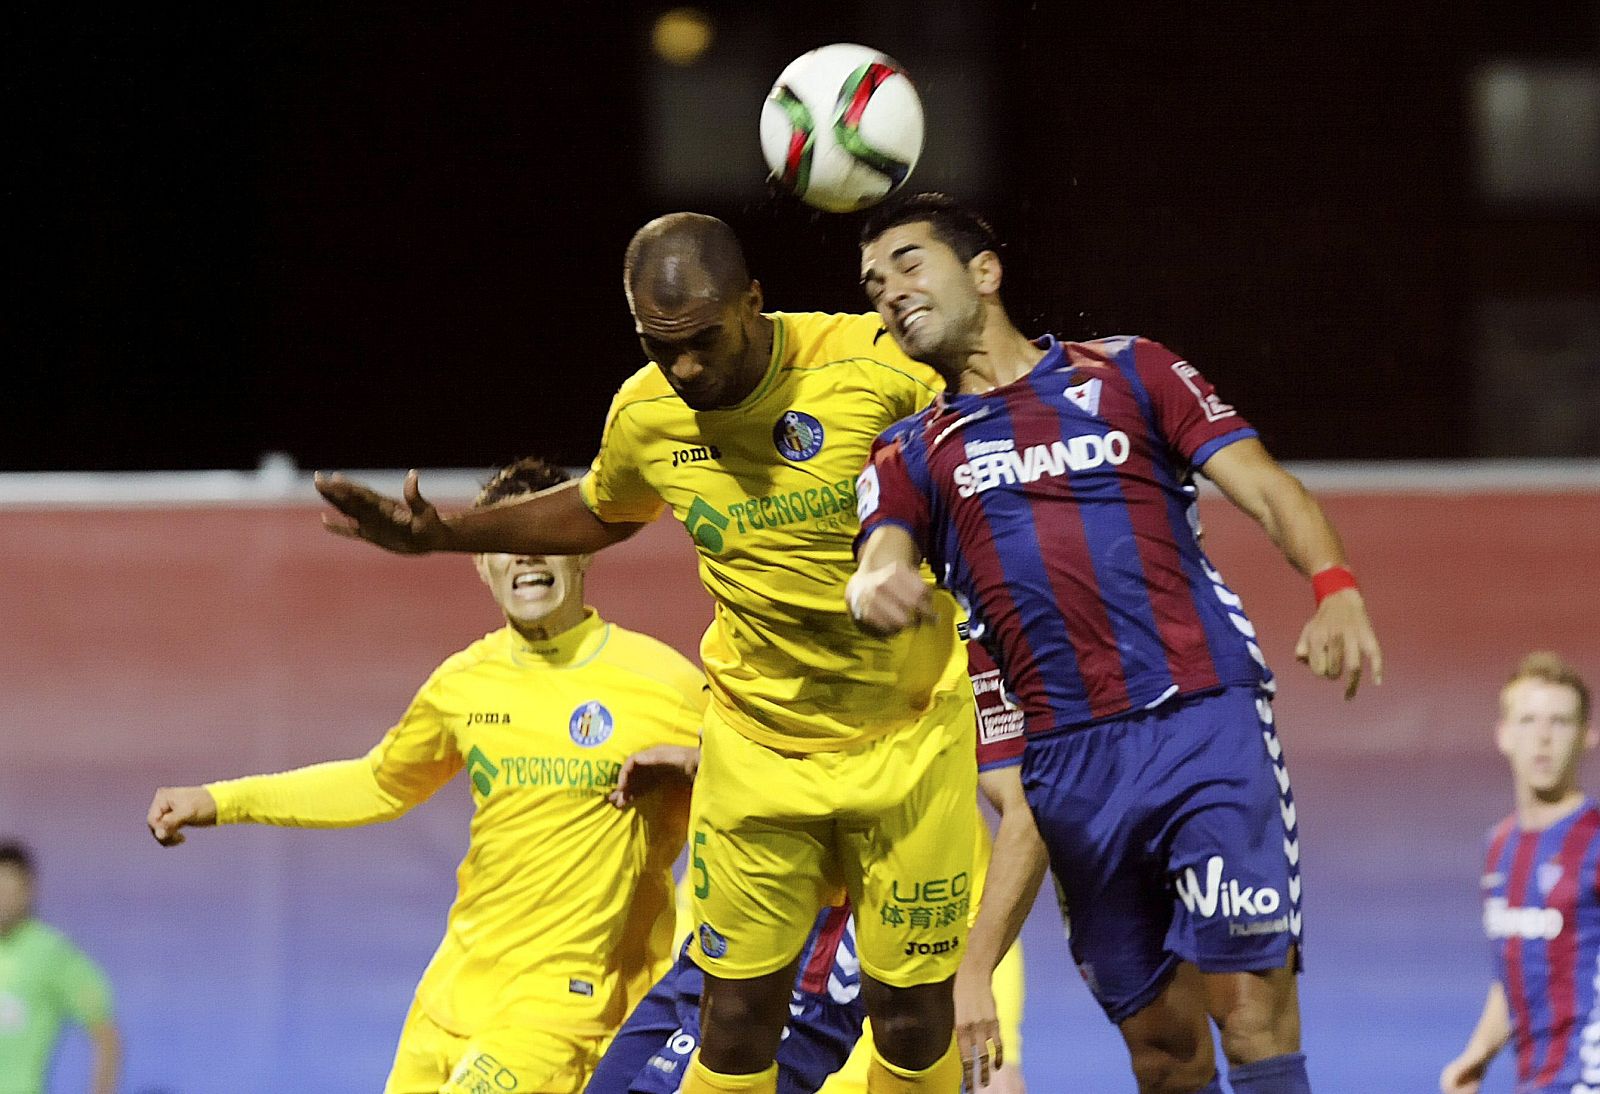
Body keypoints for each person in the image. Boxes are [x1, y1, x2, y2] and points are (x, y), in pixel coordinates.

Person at [315, 212, 978, 1094]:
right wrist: (445, 535)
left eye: (703, 340)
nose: (687, 368)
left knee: (911, 1016)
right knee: (734, 1018)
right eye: (661, 347)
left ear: (754, 302)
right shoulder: (648, 411)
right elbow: (603, 504)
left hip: (904, 733)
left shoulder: (871, 364)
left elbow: (993, 407)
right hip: (761, 746)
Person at [849, 193, 1385, 1094]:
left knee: (1251, 1013)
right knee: (1163, 1053)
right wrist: (874, 584)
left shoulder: (1133, 372)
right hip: (1066, 767)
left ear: (985, 271)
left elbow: (1266, 487)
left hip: (1201, 726)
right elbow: (879, 556)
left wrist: (1334, 587)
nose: (889, 291)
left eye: (907, 262)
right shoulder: (908, 454)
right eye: (871, 284)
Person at [145, 458, 705, 1094]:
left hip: (565, 1007)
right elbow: (378, 783)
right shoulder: (462, 684)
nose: (526, 557)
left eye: (543, 540)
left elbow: (753, 793)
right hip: (450, 996)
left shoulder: (666, 684)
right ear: (479, 562)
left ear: (582, 555)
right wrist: (220, 799)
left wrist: (694, 933)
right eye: (504, 543)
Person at [589, 640, 1032, 1094]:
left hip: (816, 969)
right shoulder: (755, 613)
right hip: (714, 955)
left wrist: (995, 1032)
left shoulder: (950, 652)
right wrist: (700, 762)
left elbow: (1021, 815)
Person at [1441, 653, 1598, 1094]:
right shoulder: (1500, 846)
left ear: (1588, 736)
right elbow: (1516, 971)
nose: (1543, 738)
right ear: (1504, 736)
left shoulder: (1594, 842)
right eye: (1528, 721)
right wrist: (1477, 1055)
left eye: (1561, 722)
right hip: (1534, 1081)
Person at [0, 840, 120, 1094]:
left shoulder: (52, 954)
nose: (4, 899)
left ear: (29, 890)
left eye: (12, 888)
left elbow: (106, 1037)